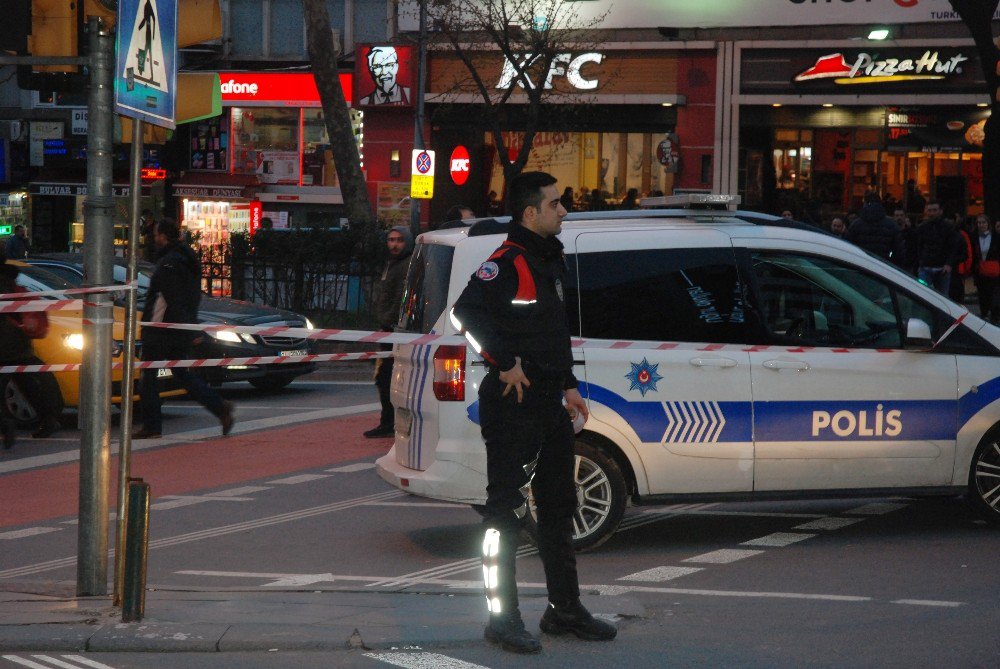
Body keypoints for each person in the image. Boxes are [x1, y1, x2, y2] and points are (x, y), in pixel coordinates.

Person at [451, 171, 617, 654]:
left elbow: (550, 332)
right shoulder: (506, 261)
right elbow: (466, 315)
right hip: (513, 407)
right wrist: (502, 362)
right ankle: (501, 619)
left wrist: (568, 384)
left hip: (548, 403)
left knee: (559, 507)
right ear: (530, 213)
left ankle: (564, 610)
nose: (564, 210)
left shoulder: (547, 260)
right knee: (504, 513)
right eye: (555, 204)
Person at [134, 219, 234, 439]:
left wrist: (187, 330)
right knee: (182, 373)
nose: (154, 238)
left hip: (160, 328)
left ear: (163, 236)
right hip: (177, 328)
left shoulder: (169, 263)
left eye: (156, 234)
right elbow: (186, 298)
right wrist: (189, 328)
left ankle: (151, 426)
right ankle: (219, 407)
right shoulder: (186, 258)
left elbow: (170, 298)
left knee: (148, 377)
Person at [0, 254, 61, 448]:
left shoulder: (3, 281)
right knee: (29, 380)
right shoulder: (11, 279)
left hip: (5, 339)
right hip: (18, 341)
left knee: (17, 381)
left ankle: (6, 424)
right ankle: (49, 417)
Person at [364, 226, 414, 438]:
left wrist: (389, 321)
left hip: (395, 331)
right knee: (385, 377)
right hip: (388, 330)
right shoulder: (393, 264)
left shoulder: (404, 266)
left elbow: (399, 300)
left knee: (386, 378)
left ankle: (389, 422)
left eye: (399, 240)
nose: (394, 244)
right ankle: (389, 421)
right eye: (391, 240)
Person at [915, 200, 964, 297]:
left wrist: (949, 264)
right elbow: (918, 246)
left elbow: (954, 247)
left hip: (941, 268)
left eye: (934, 210)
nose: (932, 213)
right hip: (927, 266)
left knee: (940, 296)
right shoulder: (922, 228)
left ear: (940, 211)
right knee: (924, 295)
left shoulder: (948, 227)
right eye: (929, 210)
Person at [972, 214, 999, 321]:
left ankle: (995, 314)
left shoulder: (996, 237)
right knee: (982, 293)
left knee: (994, 293)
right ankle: (984, 313)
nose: (981, 225)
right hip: (980, 271)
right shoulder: (974, 237)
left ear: (988, 224)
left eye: (983, 222)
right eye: (979, 223)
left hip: (994, 270)